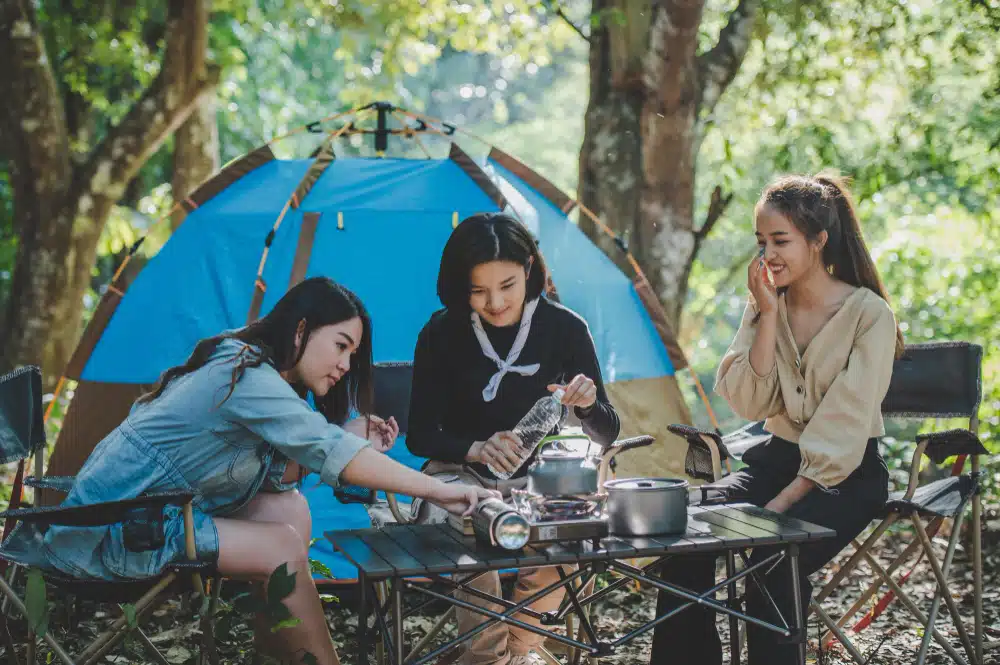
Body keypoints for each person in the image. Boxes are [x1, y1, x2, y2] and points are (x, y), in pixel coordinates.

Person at [15, 277, 497, 665]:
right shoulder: (245, 376)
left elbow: (284, 474)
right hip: (109, 532)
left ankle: (282, 652)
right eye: (342, 346)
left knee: (288, 509)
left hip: (153, 516)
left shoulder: (247, 366)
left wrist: (350, 436)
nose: (347, 366)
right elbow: (331, 452)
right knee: (280, 543)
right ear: (300, 330)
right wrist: (439, 490)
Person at [649, 173, 904, 665]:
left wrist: (774, 511)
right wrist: (766, 313)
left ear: (819, 240)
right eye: (761, 241)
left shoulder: (868, 314)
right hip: (773, 461)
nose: (768, 253)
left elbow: (845, 424)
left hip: (844, 477)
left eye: (781, 240)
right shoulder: (767, 303)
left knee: (772, 556)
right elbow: (749, 402)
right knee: (689, 539)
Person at [407, 212, 621, 665]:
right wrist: (476, 448)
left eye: (507, 285)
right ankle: (489, 658)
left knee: (575, 526)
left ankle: (523, 649)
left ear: (528, 269)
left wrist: (584, 406)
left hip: (539, 480)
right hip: (459, 477)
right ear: (460, 287)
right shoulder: (441, 333)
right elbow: (421, 435)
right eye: (478, 290)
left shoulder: (565, 329)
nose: (496, 302)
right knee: (472, 520)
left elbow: (607, 430)